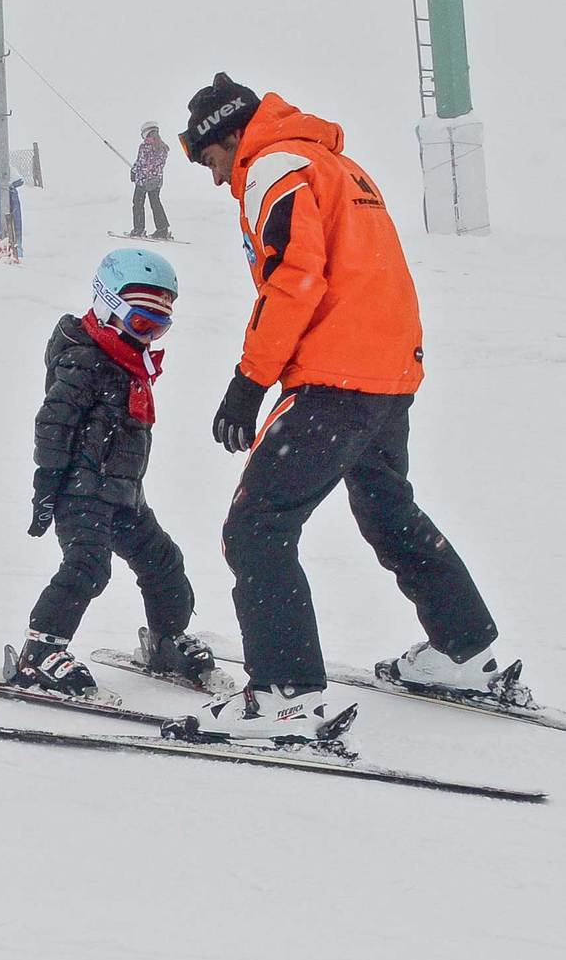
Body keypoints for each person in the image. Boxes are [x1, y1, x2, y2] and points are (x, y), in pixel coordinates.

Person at [178, 72, 524, 739]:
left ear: (227, 134)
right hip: (388, 373)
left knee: (256, 525)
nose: (219, 179)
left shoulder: (272, 164)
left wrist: (250, 381)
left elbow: (295, 276)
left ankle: (285, 692)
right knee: (387, 507)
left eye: (213, 161)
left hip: (335, 377)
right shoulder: (338, 165)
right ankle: (466, 651)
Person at [8, 247, 228, 699]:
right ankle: (40, 651)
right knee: (88, 567)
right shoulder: (86, 358)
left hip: (124, 492)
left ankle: (167, 640)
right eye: (141, 323)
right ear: (108, 305)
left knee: (163, 562)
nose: (149, 337)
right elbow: (54, 421)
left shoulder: (128, 362)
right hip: (80, 491)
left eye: (160, 326)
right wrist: (46, 484)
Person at [130, 121, 172, 240]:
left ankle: (157, 230)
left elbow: (157, 165)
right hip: (145, 181)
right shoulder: (145, 147)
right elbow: (139, 162)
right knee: (143, 203)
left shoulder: (160, 148)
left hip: (149, 182)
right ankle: (146, 229)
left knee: (148, 204)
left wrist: (149, 177)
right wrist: (133, 171)